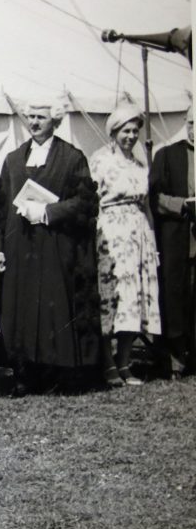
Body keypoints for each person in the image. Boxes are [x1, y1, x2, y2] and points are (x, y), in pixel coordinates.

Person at [0, 101, 100, 393]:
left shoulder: (72, 157)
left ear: (56, 122)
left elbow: (85, 202)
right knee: (21, 307)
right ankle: (25, 374)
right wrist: (0, 246)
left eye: (41, 117)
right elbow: (0, 206)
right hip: (20, 246)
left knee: (54, 307)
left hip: (55, 246)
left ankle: (56, 374)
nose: (34, 122)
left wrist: (51, 212)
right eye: (30, 117)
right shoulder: (13, 159)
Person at [90, 104, 161, 386]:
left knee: (135, 297)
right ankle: (107, 363)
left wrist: (152, 241)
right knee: (112, 295)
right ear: (114, 132)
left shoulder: (140, 165)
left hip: (138, 232)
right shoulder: (100, 161)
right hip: (110, 231)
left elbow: (146, 205)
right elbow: (91, 199)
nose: (130, 136)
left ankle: (125, 363)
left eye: (134, 131)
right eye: (125, 131)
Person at [149, 106, 194, 376]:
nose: (193, 130)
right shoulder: (166, 155)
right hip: (177, 241)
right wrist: (183, 205)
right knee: (175, 298)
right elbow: (154, 198)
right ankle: (175, 357)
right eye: (190, 123)